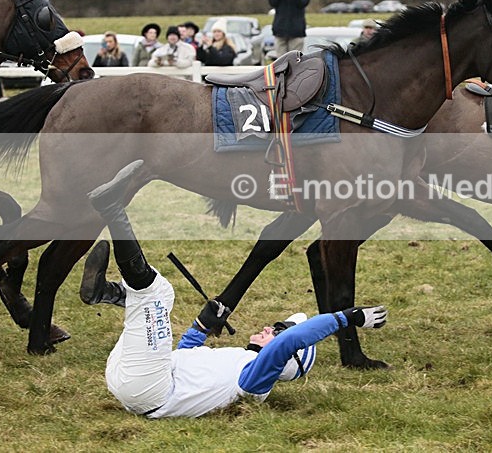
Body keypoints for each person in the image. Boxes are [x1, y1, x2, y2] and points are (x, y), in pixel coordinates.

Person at [80, 160, 388, 419]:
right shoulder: (240, 361)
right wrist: (202, 325)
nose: (270, 327)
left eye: (277, 330)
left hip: (150, 389)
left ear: (286, 360)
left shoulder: (257, 382)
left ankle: (113, 209)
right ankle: (108, 293)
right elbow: (186, 353)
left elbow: (291, 341)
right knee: (161, 298)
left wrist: (348, 317)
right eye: (277, 326)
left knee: (156, 294)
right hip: (133, 380)